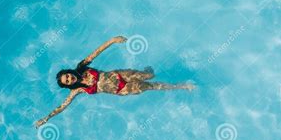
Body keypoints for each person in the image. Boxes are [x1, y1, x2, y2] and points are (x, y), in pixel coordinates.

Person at [35, 36, 194, 128]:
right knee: (151, 86)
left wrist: (112, 40)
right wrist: (46, 118)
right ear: (69, 85)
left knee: (149, 76)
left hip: (120, 74)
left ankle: (149, 71)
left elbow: (96, 52)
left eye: (68, 76)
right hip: (122, 89)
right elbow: (62, 106)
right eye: (67, 81)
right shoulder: (78, 90)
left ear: (69, 72)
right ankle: (182, 86)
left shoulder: (82, 67)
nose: (70, 79)